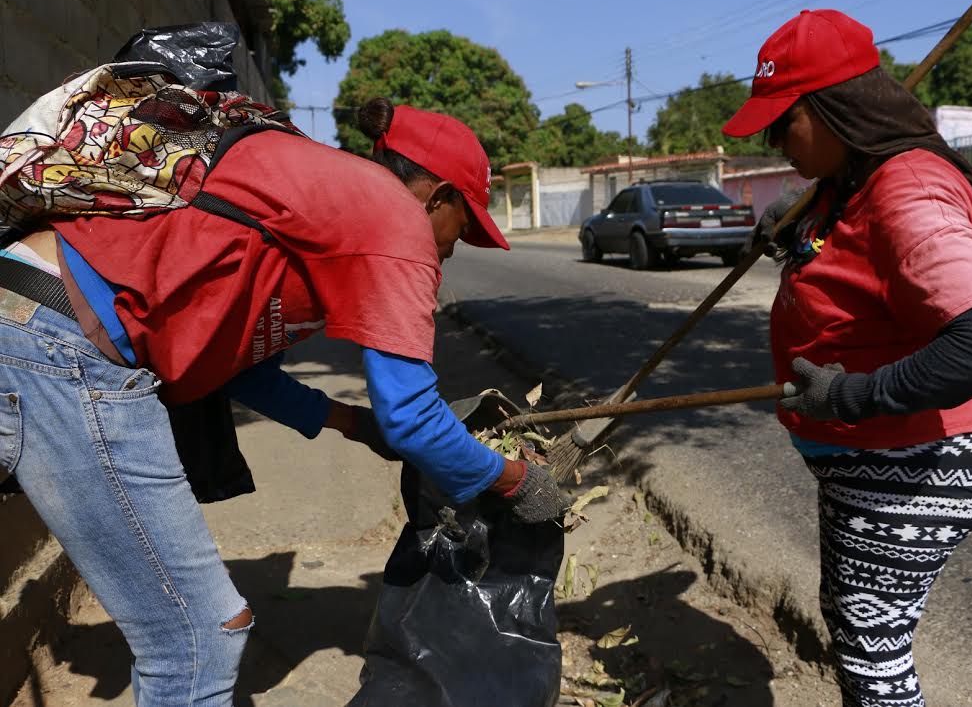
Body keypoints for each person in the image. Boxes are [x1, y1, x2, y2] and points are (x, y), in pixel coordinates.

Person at [0, 97, 569, 705]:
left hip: (25, 313)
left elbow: (242, 372)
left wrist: (352, 423)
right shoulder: (397, 224)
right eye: (465, 224)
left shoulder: (326, 196)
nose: (457, 247)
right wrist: (513, 480)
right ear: (438, 195)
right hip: (62, 346)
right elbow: (415, 420)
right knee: (198, 635)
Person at [723, 9, 972, 706]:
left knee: (872, 660)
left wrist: (849, 397)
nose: (776, 143)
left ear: (834, 109)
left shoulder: (907, 190)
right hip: (868, 470)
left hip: (908, 471)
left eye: (784, 123)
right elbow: (845, 264)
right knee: (857, 631)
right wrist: (790, 234)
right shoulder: (849, 180)